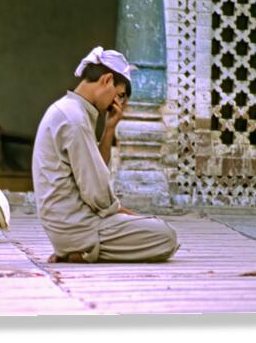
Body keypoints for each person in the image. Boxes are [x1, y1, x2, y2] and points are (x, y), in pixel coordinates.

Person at [31, 46, 179, 263]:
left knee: (150, 226)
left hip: (68, 226)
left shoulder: (71, 110)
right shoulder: (74, 118)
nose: (116, 104)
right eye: (118, 95)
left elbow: (94, 171)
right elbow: (97, 194)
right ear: (107, 79)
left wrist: (109, 130)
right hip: (79, 226)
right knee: (166, 236)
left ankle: (79, 250)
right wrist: (123, 212)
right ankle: (84, 249)